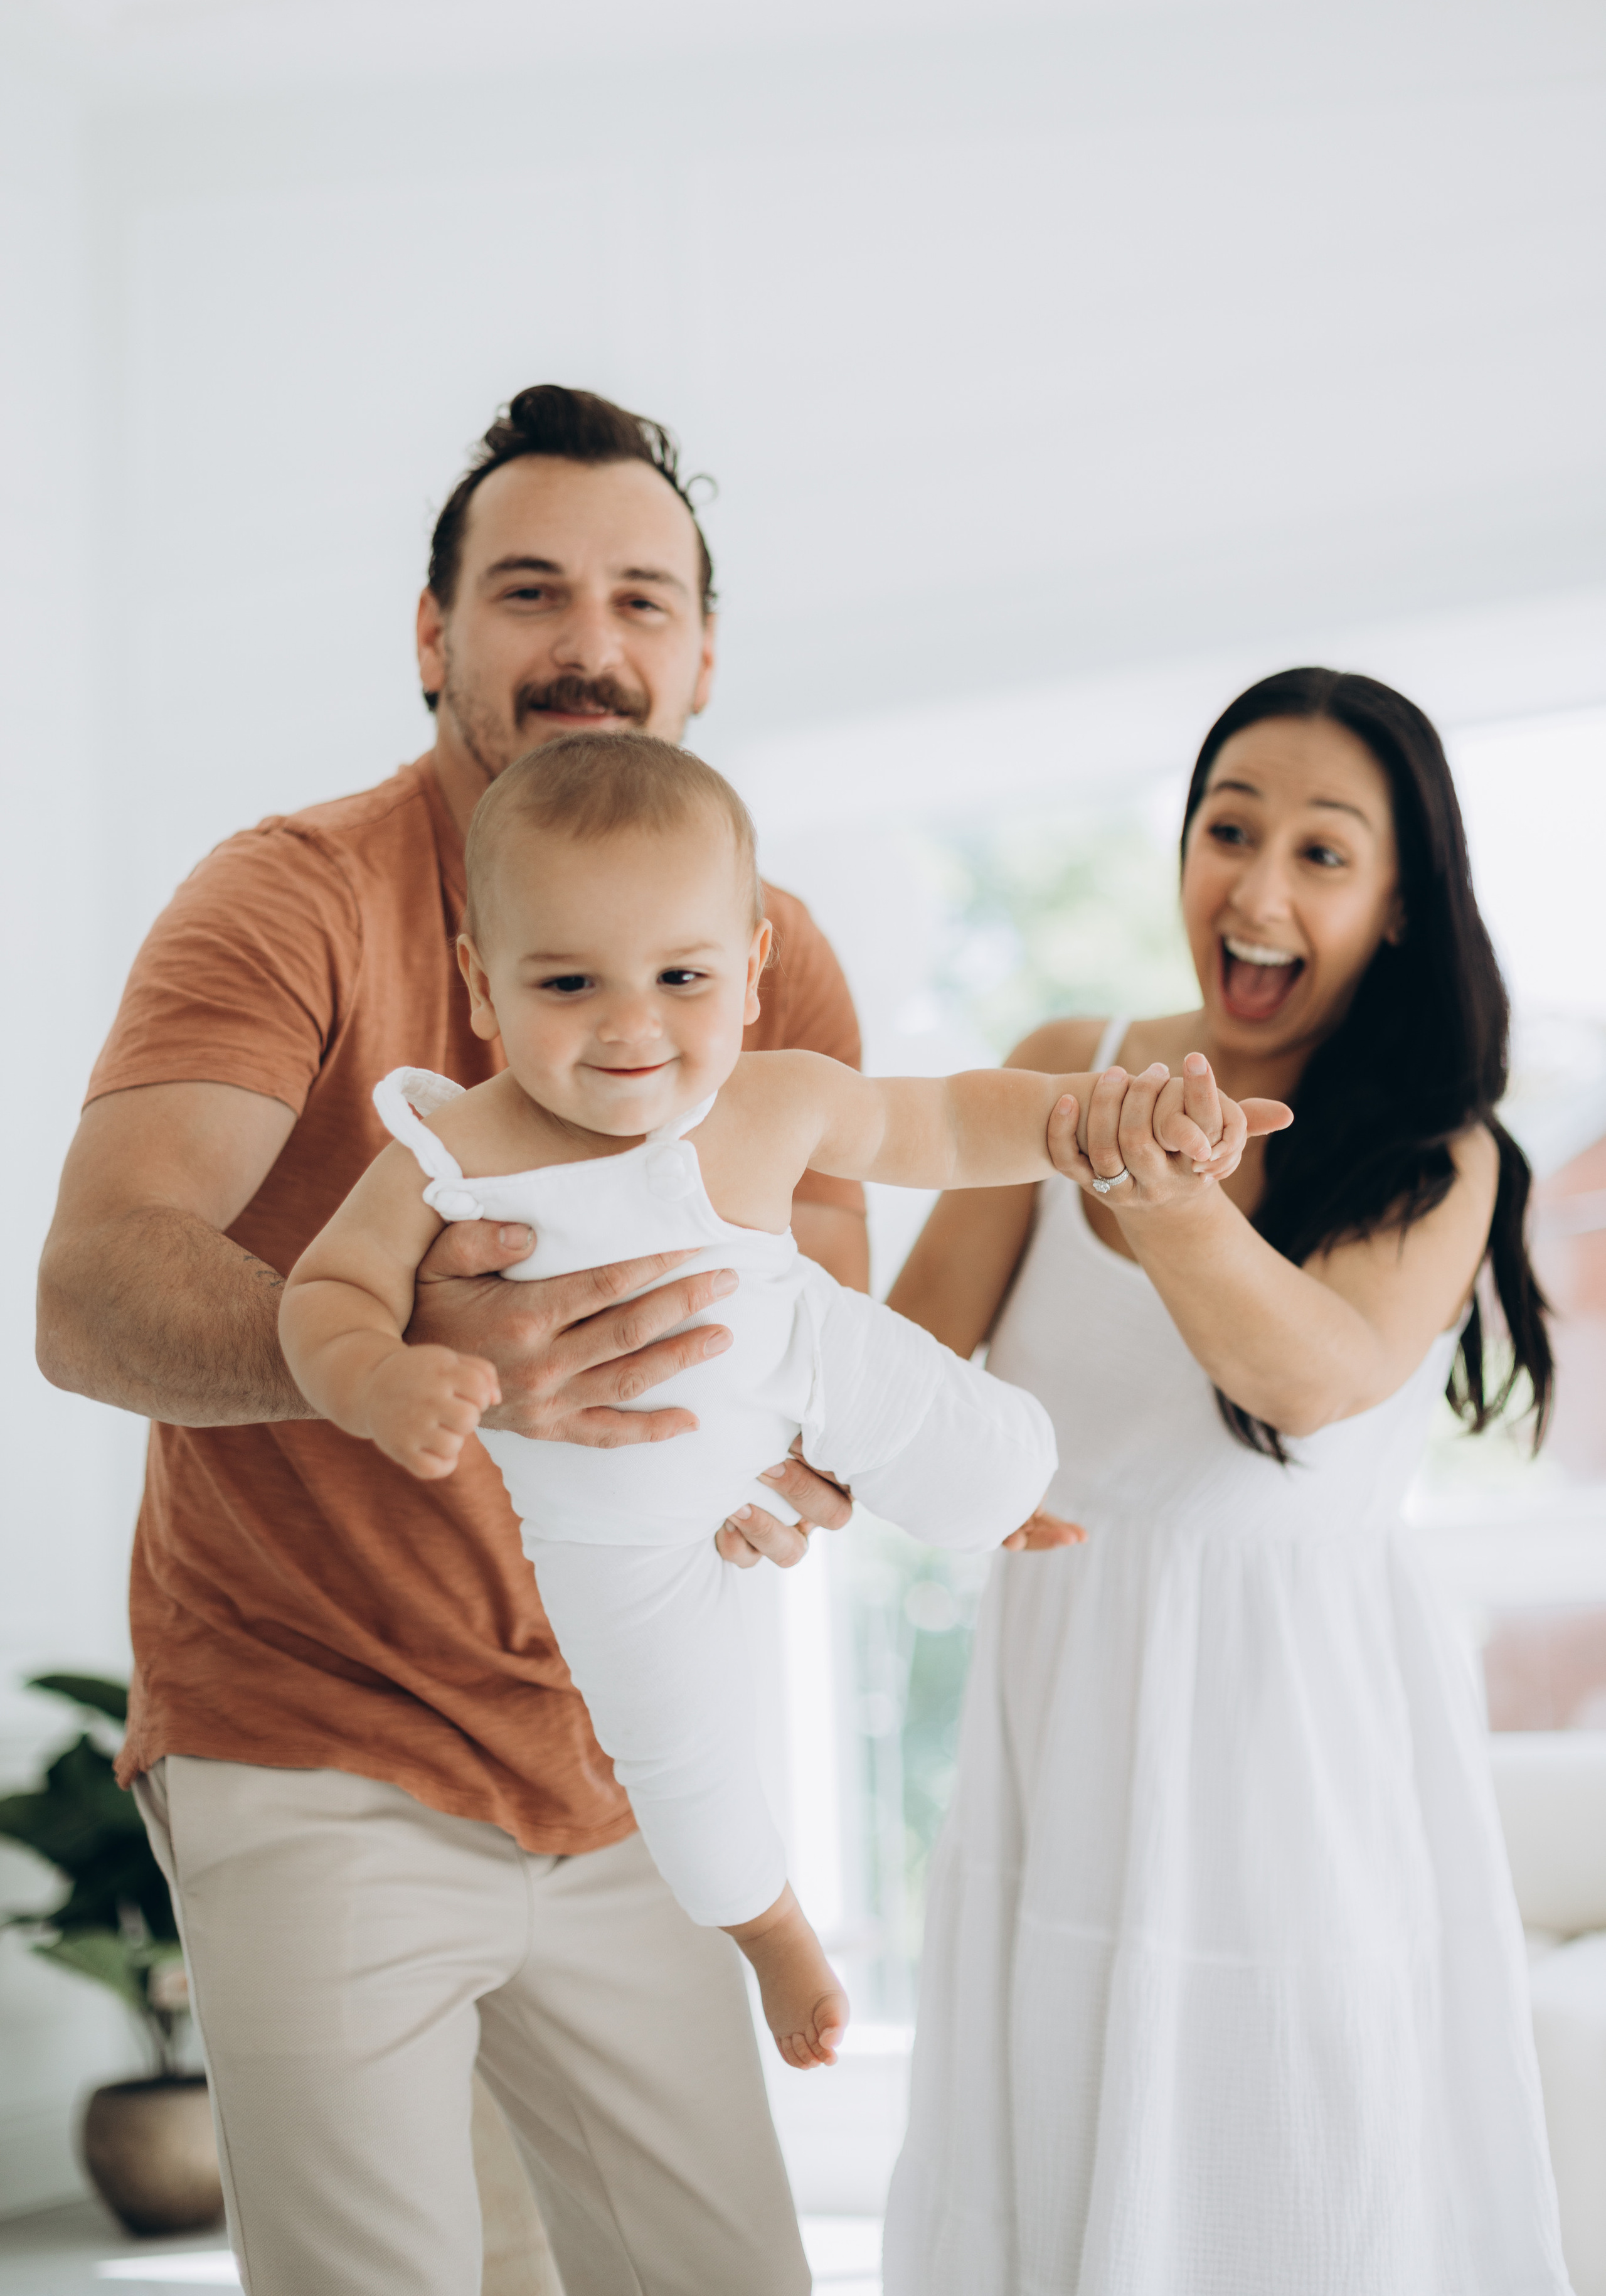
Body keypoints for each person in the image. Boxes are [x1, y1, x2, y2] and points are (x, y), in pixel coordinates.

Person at [35, 387, 889, 2296]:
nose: (592, 643)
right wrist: (418, 1340)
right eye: (530, 591)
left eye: (643, 599)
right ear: (434, 638)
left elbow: (815, 1326)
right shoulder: (294, 899)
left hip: (623, 1761)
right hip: (312, 1732)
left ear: (702, 654)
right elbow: (92, 1292)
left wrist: (790, 1459)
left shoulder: (770, 950)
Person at [279, 733, 1282, 2073]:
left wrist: (1118, 1119)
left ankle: (1004, 1507)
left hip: (795, 1377)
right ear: (480, 985)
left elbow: (960, 1122)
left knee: (982, 1439)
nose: (632, 1027)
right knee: (675, 1759)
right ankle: (768, 1930)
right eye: (568, 982)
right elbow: (324, 1291)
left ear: (749, 973)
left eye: (680, 977)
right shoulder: (447, 1152)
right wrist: (375, 1374)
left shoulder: (768, 1102)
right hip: (608, 1534)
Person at [881, 669, 1569, 2296]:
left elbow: (1310, 1380)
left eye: (1323, 854)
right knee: (1050, 2156)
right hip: (1062, 1730)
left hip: (1295, 1761)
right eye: (1227, 828)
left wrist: (1171, 1198)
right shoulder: (1065, 1066)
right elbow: (898, 1379)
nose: (1256, 890)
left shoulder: (1442, 1147)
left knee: (1295, 2177)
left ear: (1400, 903)